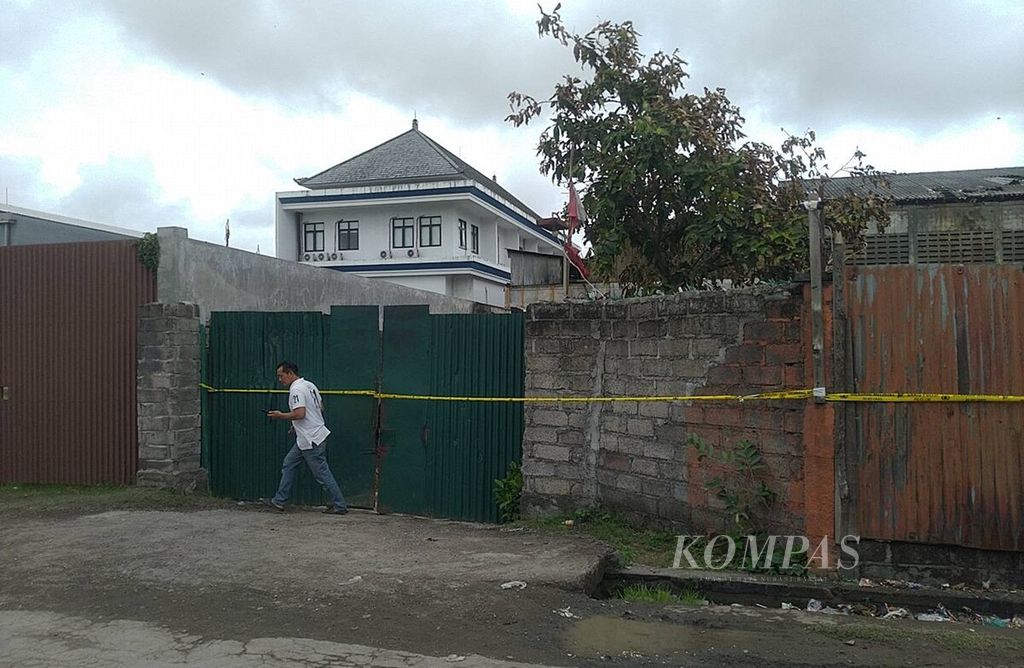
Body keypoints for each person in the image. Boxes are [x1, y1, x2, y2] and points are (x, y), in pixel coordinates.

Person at [262, 361, 348, 515]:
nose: (280, 379)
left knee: (321, 473)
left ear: (289, 373)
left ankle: (339, 505)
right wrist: (296, 426)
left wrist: (280, 415)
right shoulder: (309, 385)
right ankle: (279, 500)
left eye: (281, 376)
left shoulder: (296, 390)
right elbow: (319, 408)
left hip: (310, 439)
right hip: (310, 436)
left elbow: (300, 413)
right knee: (289, 463)